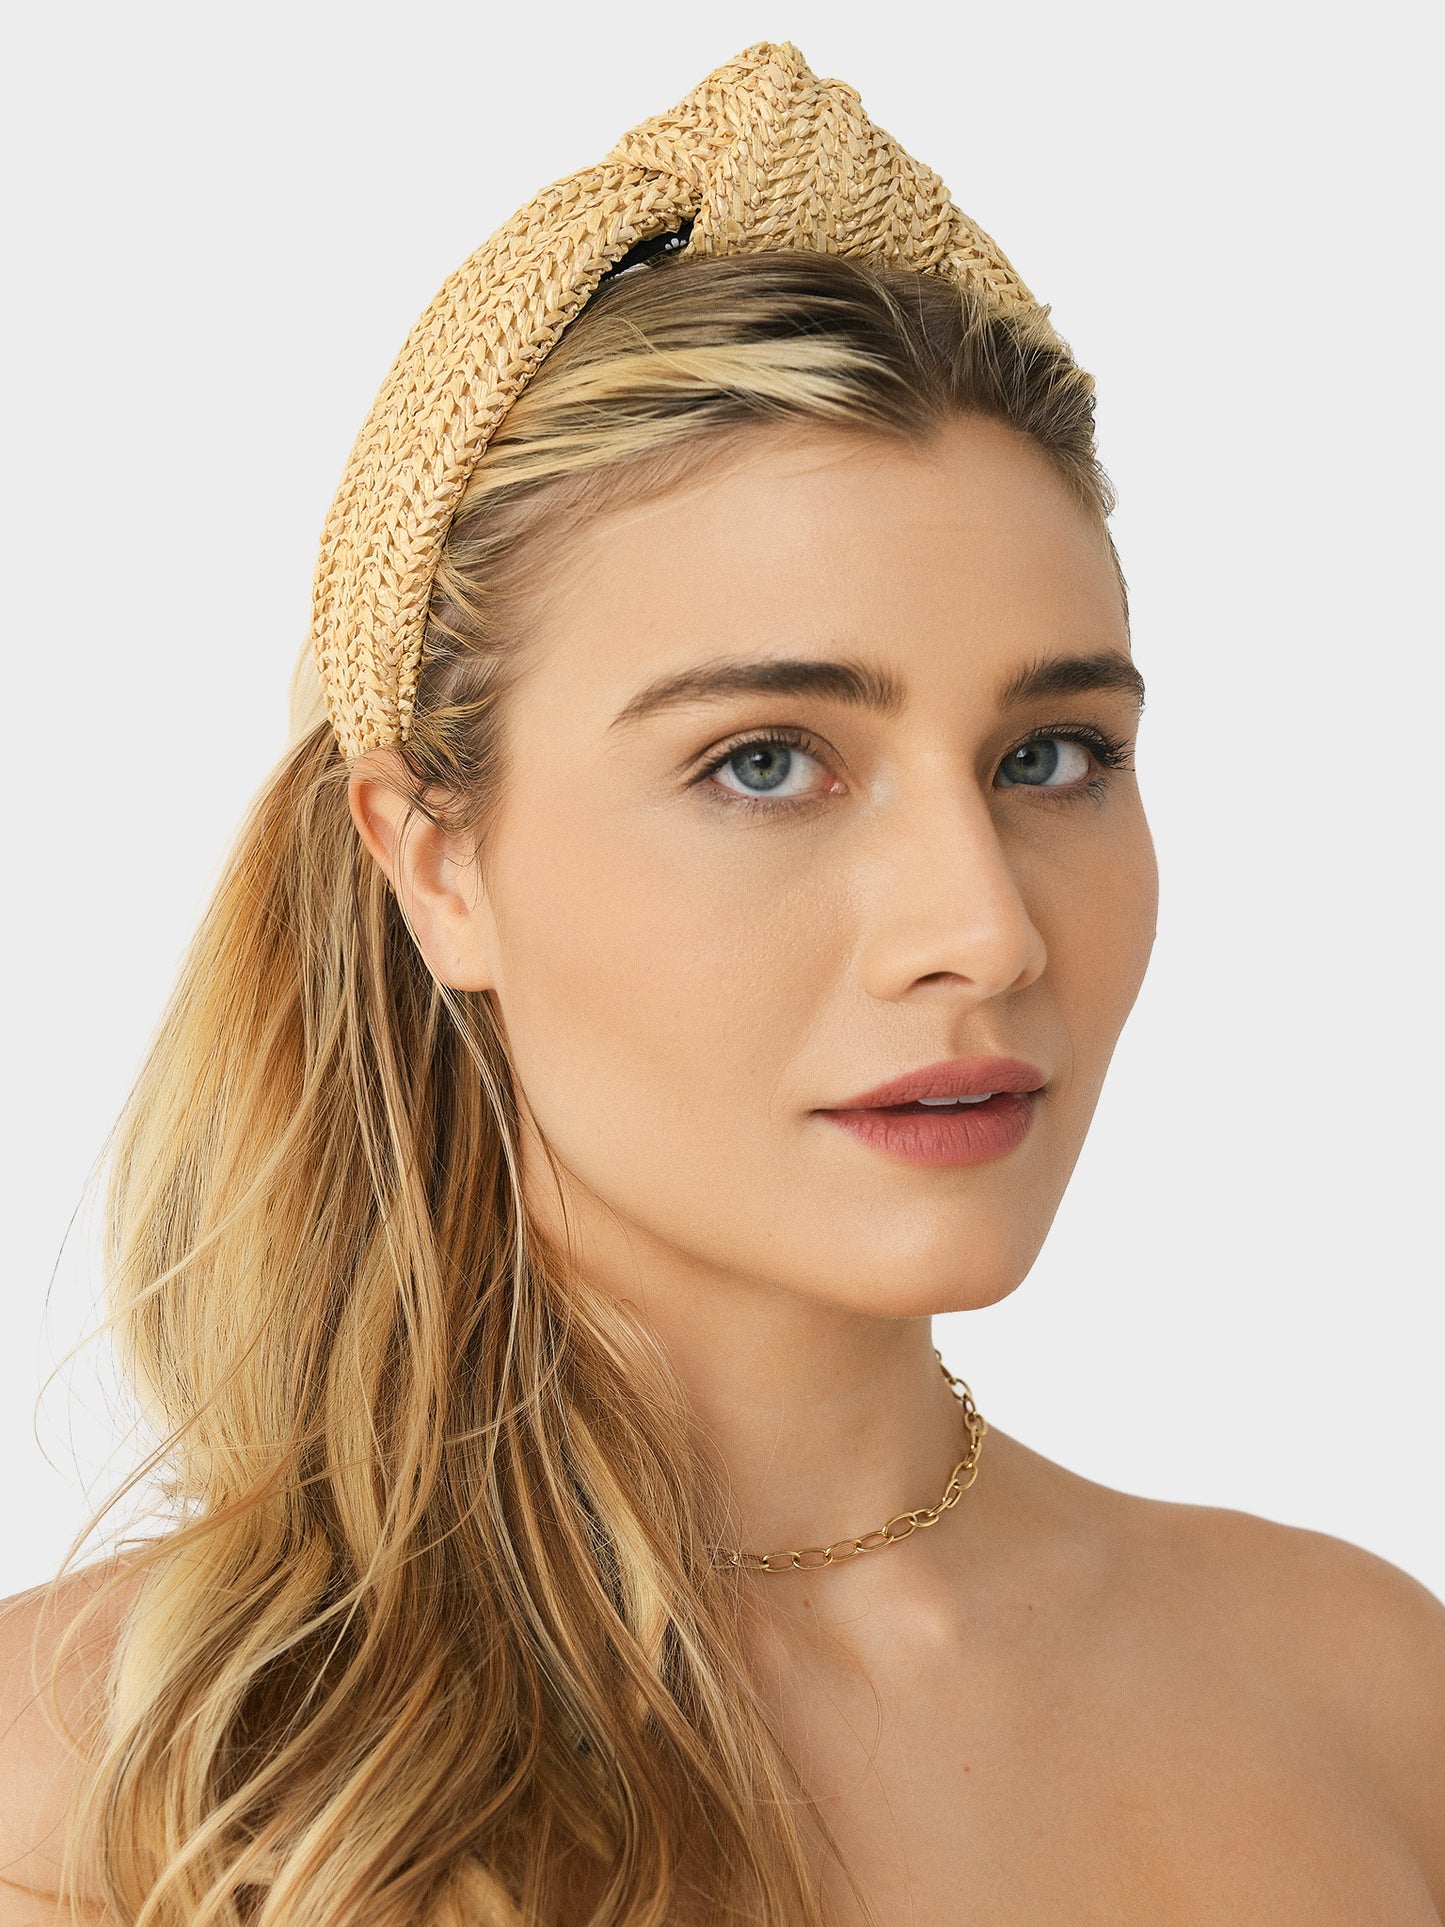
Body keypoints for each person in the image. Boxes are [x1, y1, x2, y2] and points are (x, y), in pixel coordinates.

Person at [2, 41, 1441, 1927]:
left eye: (1050, 756)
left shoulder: (1363, 1691)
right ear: (435, 866)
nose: (985, 932)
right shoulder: (104, 1788)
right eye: (764, 762)